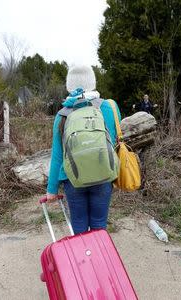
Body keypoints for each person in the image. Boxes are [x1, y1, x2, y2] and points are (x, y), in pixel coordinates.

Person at [45, 65, 122, 234]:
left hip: (72, 178)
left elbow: (57, 155)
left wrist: (51, 189)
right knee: (99, 224)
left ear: (69, 86)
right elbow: (114, 141)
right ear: (92, 82)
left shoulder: (62, 114)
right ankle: (97, 258)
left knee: (78, 224)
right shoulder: (108, 107)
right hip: (103, 175)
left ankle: (82, 259)